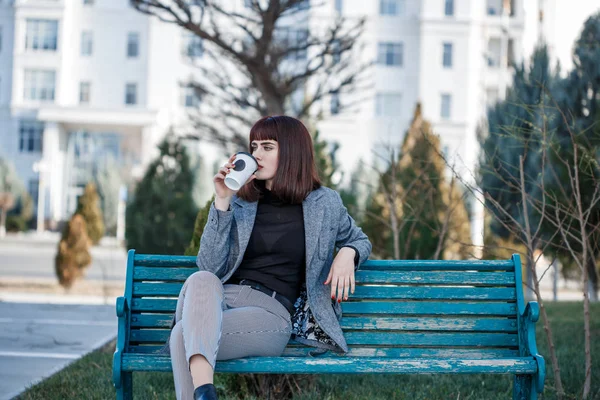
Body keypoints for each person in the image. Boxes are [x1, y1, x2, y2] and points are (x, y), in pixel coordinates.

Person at [169, 115, 372, 400]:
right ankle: (205, 391)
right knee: (200, 279)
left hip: (270, 313)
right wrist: (222, 200)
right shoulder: (240, 200)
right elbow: (210, 266)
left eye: (267, 147)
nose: (256, 155)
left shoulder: (323, 203)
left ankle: (203, 391)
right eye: (254, 146)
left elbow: (359, 239)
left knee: (181, 336)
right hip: (221, 300)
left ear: (291, 151)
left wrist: (347, 254)